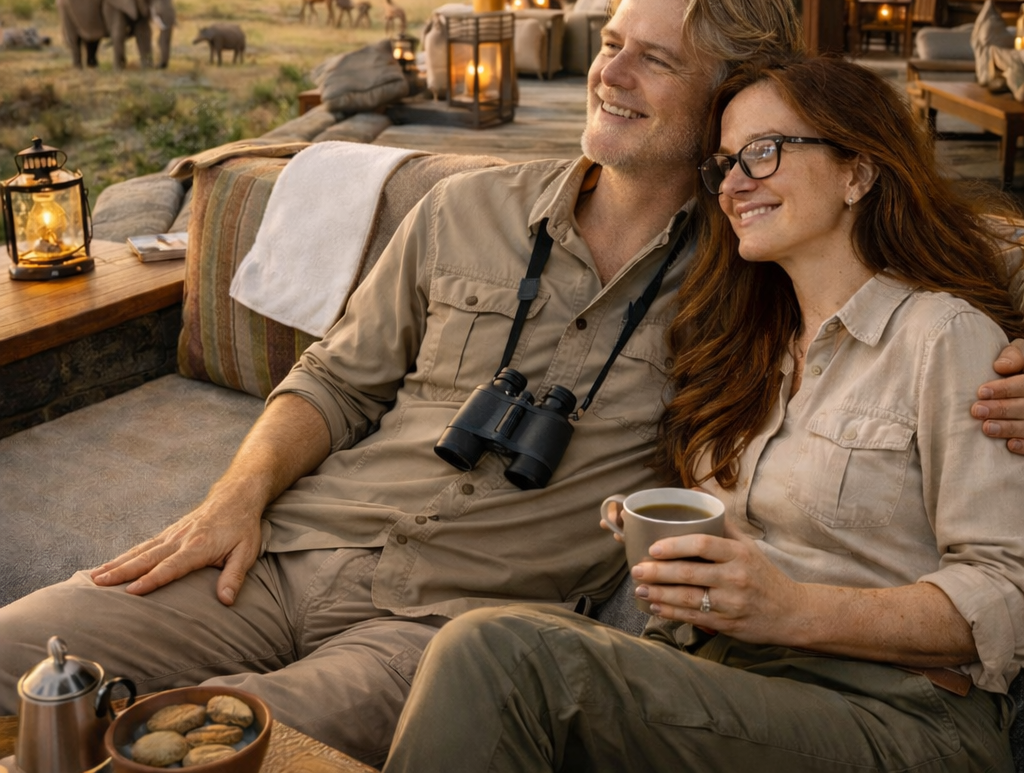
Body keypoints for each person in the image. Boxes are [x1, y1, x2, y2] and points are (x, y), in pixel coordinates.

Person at [1, 0, 1022, 766]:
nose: (607, 73)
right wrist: (236, 497)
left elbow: (912, 267)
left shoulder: (758, 261)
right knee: (19, 651)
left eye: (655, 60)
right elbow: (333, 377)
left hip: (446, 620)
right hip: (282, 550)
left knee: (198, 747)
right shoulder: (463, 207)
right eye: (612, 41)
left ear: (732, 98)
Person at [380, 56, 1024, 772]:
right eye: (723, 165)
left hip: (904, 715)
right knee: (483, 637)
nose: (735, 183)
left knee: (496, 651)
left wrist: (789, 609)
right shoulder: (750, 349)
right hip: (730, 682)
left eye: (765, 152)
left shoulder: (944, 338)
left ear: (857, 172)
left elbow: (1007, 592)